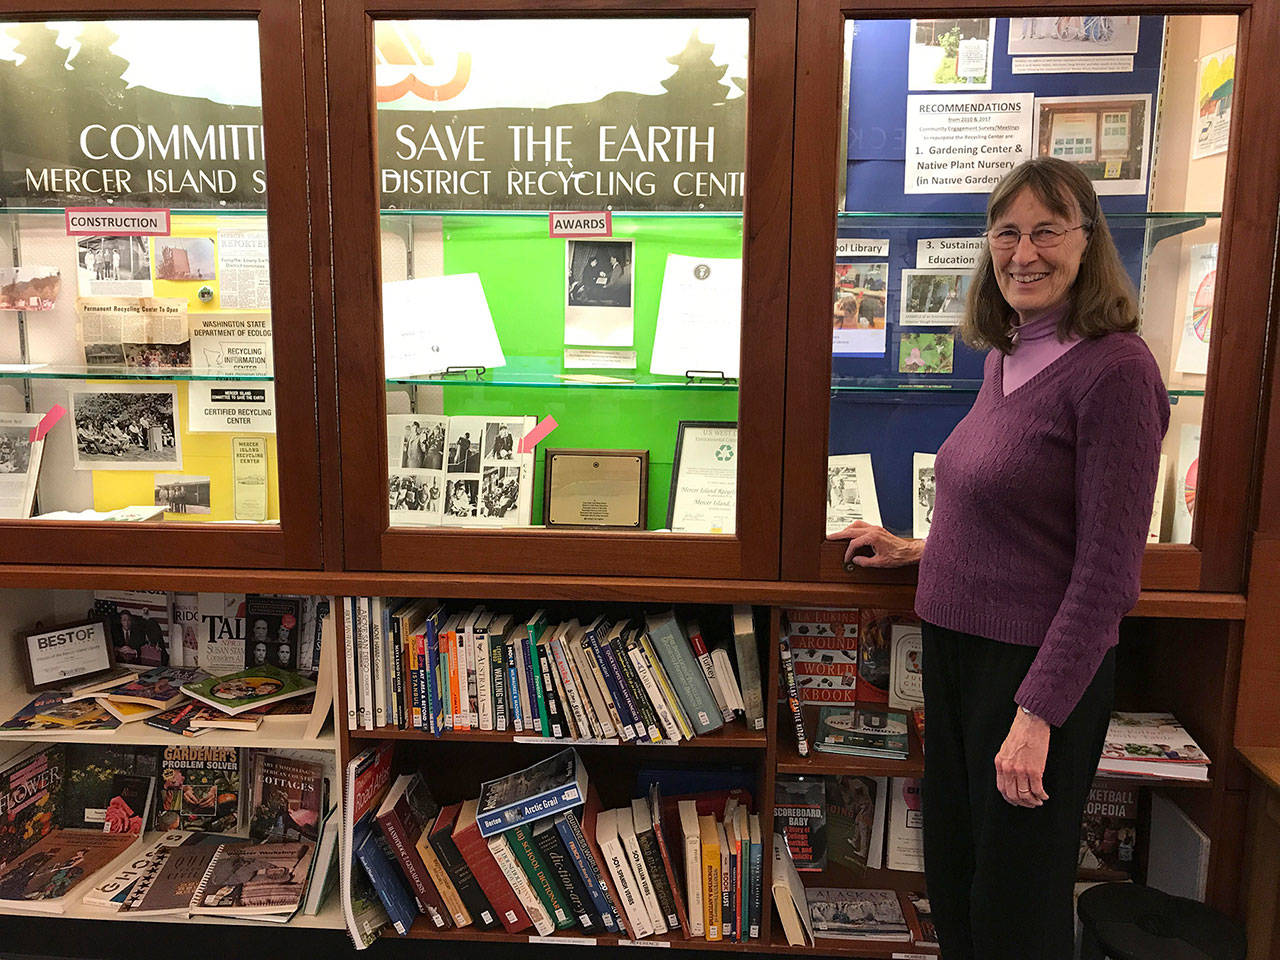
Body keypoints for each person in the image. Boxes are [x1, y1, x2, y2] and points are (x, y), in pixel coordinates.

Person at [829, 157, 1168, 960]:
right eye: (1007, 232)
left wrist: (1037, 714)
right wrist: (916, 549)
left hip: (1031, 676)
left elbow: (1107, 574)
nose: (1025, 253)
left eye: (1047, 231)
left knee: (1015, 904)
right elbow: (1005, 509)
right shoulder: (1006, 357)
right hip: (954, 655)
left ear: (1088, 243)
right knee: (957, 880)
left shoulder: (1117, 371)